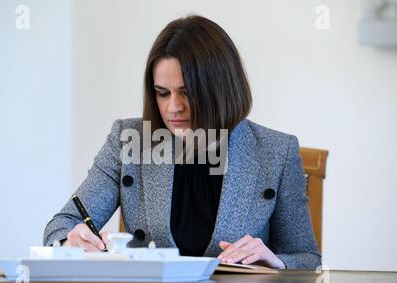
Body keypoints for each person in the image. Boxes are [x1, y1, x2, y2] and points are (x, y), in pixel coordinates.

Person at [43, 15, 321, 269]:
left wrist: (276, 261)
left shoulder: (276, 152)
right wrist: (70, 243)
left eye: (186, 93)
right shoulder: (129, 140)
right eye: (162, 93)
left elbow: (307, 260)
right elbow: (61, 225)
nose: (172, 108)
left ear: (220, 89)